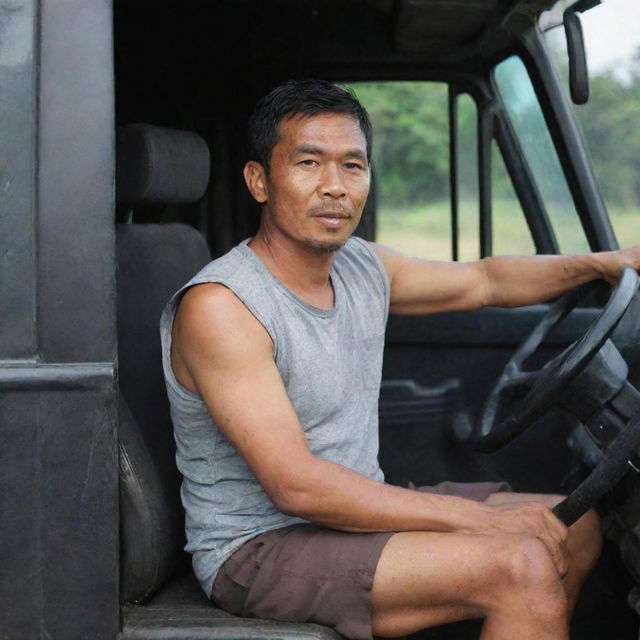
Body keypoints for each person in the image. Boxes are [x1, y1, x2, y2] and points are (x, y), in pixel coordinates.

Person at [160, 79, 640, 639]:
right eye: (309, 163)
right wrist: (480, 520)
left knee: (573, 524)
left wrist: (604, 263)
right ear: (259, 181)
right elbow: (297, 487)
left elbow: (484, 281)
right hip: (259, 546)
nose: (335, 187)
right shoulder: (223, 307)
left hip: (346, 516)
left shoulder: (362, 267)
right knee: (522, 564)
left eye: (353, 166)